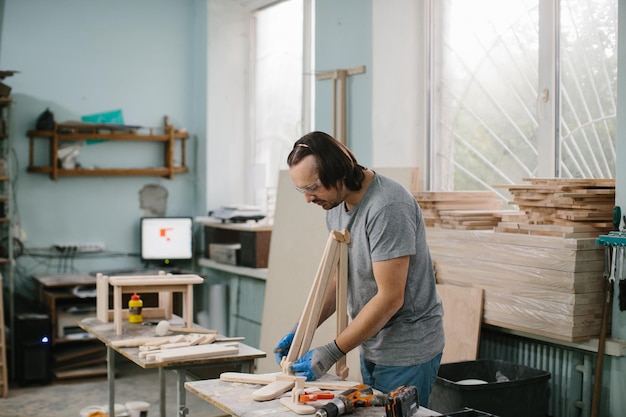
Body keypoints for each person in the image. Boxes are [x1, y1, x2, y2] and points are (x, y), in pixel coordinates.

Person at [274, 131, 444, 407]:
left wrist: (331, 351)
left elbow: (390, 298)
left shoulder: (388, 206)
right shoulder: (335, 204)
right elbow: (339, 280)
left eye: (313, 187)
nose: (308, 198)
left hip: (408, 350)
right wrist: (302, 328)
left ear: (338, 173)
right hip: (372, 346)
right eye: (302, 190)